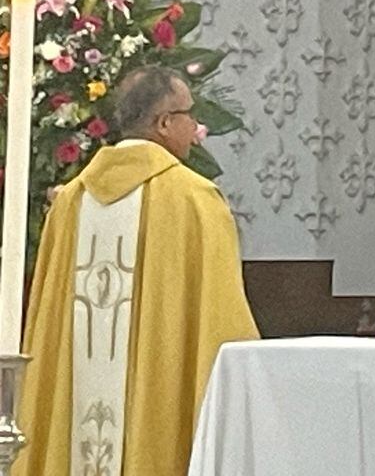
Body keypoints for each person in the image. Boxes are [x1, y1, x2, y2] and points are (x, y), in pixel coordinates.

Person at [17, 65, 258, 476]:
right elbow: (222, 327)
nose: (196, 126)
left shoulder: (72, 202)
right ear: (165, 123)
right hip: (158, 418)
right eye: (190, 115)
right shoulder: (196, 202)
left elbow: (46, 331)